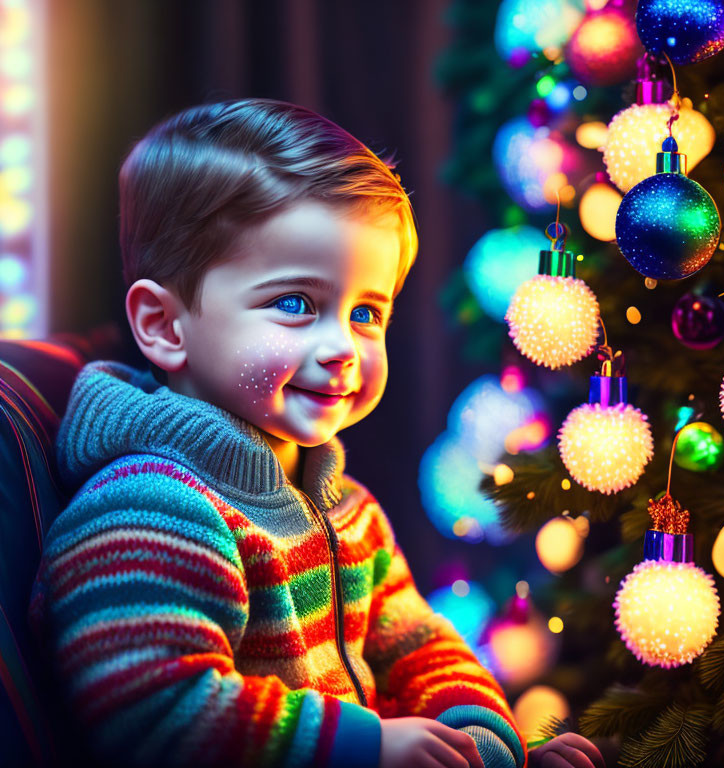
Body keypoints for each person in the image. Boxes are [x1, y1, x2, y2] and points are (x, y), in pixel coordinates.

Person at [28, 99, 604, 768]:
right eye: (296, 304)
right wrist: (365, 747)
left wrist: (478, 741)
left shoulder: (346, 508)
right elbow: (154, 708)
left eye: (366, 312)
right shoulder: (152, 507)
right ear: (164, 326)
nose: (344, 348)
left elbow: (420, 645)